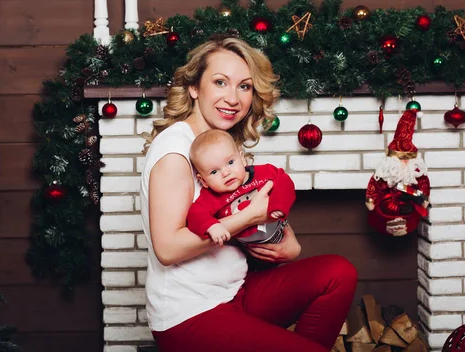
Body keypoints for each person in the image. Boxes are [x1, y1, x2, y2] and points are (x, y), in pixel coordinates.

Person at [140, 37, 358, 352]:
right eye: (220, 82)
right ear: (194, 88)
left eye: (244, 86)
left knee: (337, 273)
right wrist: (247, 218)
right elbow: (168, 248)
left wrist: (288, 242)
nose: (233, 98)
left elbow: (250, 200)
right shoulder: (176, 151)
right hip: (189, 313)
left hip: (235, 292)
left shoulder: (219, 145)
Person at [187, 128, 295, 246]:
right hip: (247, 247)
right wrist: (211, 226)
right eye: (214, 172)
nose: (226, 173)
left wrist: (278, 205)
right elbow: (194, 213)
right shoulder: (211, 197)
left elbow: (284, 181)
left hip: (278, 231)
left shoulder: (265, 173)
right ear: (203, 181)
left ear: (242, 158)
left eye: (230, 162)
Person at [365, 108, 430, 236]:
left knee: (407, 209)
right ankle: (391, 226)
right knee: (388, 206)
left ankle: (401, 227)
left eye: (407, 158)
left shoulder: (416, 173)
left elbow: (423, 186)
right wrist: (370, 200)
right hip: (387, 203)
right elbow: (374, 185)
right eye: (400, 158)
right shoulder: (384, 171)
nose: (404, 162)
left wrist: (424, 198)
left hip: (408, 203)